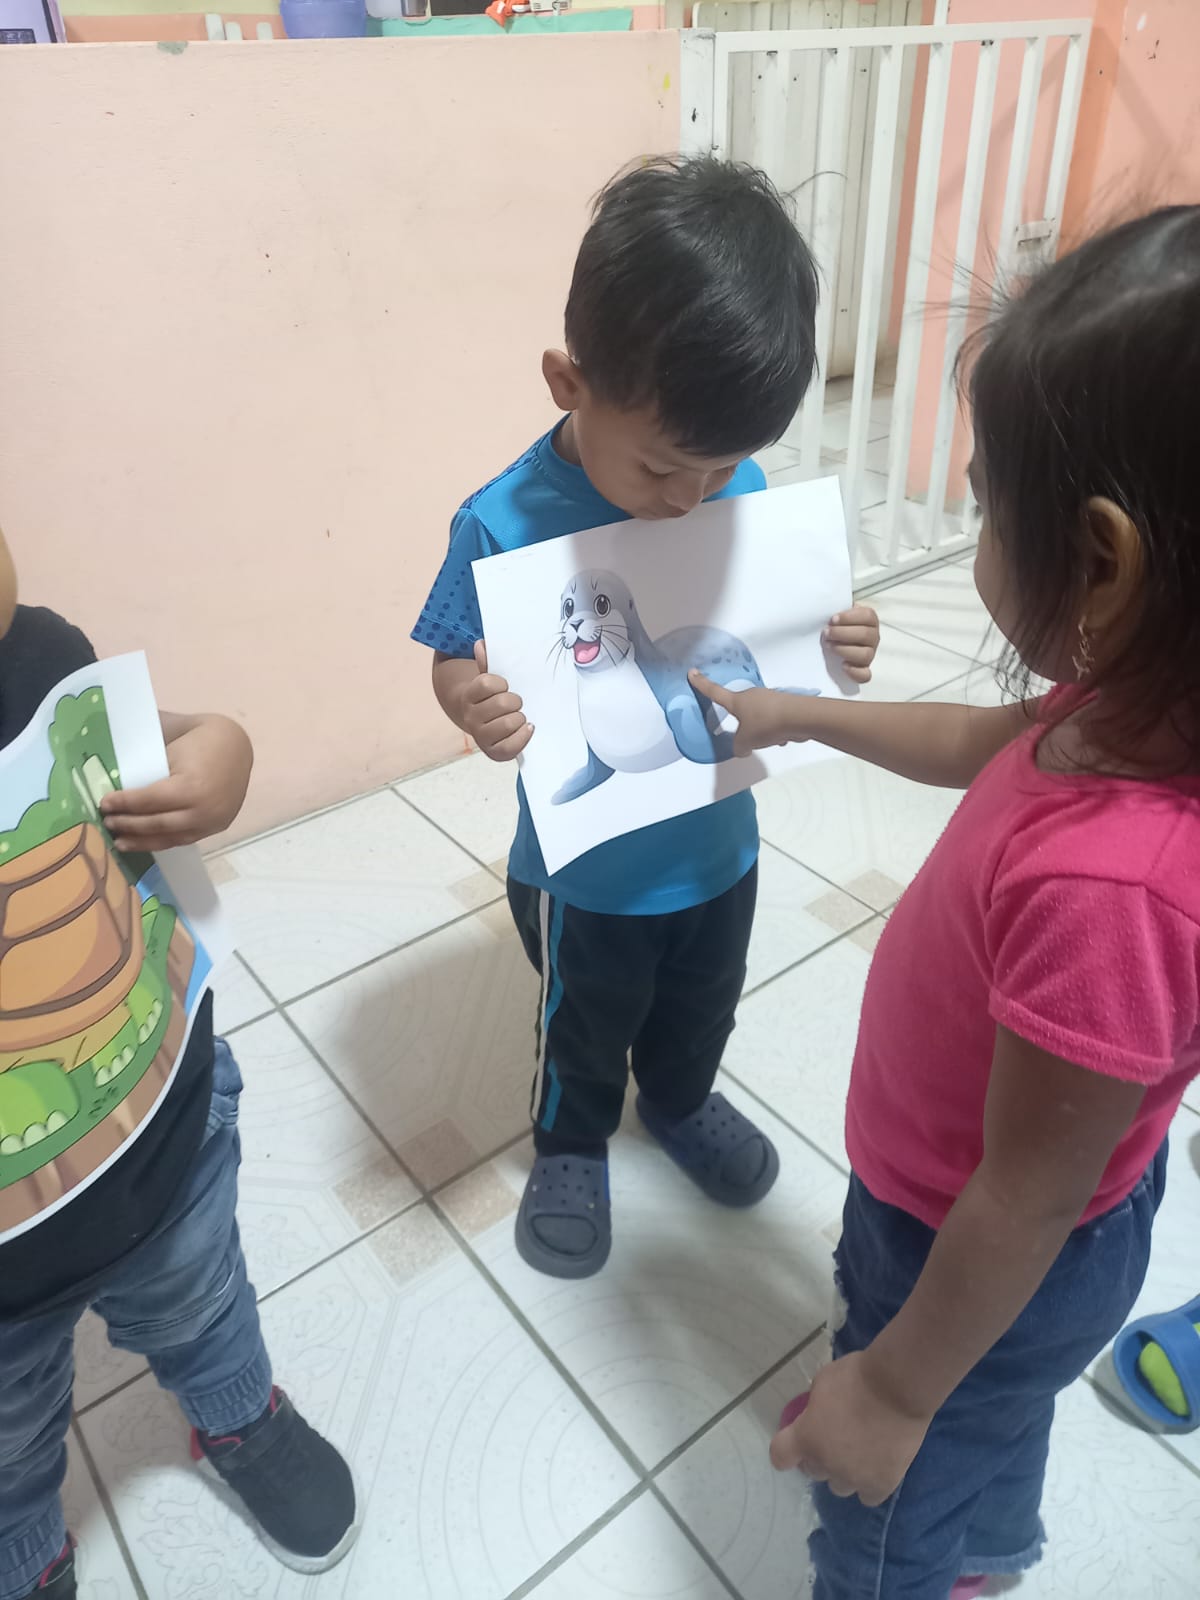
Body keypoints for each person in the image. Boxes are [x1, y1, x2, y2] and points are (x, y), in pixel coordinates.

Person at [691, 206, 1200, 1598]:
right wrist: (802, 713)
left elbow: (1025, 1200)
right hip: (986, 1219)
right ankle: (990, 1540)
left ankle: (921, 1548)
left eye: (983, 505)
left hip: (963, 1237)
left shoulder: (1117, 889)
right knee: (996, 1411)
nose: (975, 532)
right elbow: (986, 743)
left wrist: (893, 1389)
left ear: (1104, 562)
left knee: (896, 1488)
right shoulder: (1132, 705)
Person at [412, 155, 880, 1280]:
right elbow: (449, 656)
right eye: (666, 467)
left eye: (722, 470)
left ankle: (678, 1097)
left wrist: (839, 644)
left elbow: (770, 637)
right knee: (584, 1019)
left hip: (721, 843)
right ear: (567, 383)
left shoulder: (731, 491)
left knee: (705, 999)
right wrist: (471, 702)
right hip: (588, 874)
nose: (691, 500)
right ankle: (572, 1142)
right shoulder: (500, 519)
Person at [0, 531, 358, 1600]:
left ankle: (239, 1413)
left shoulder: (39, 652)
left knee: (205, 1308)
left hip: (161, 1148)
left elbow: (161, 745)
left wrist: (220, 747)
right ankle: (26, 1547)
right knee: (7, 1444)